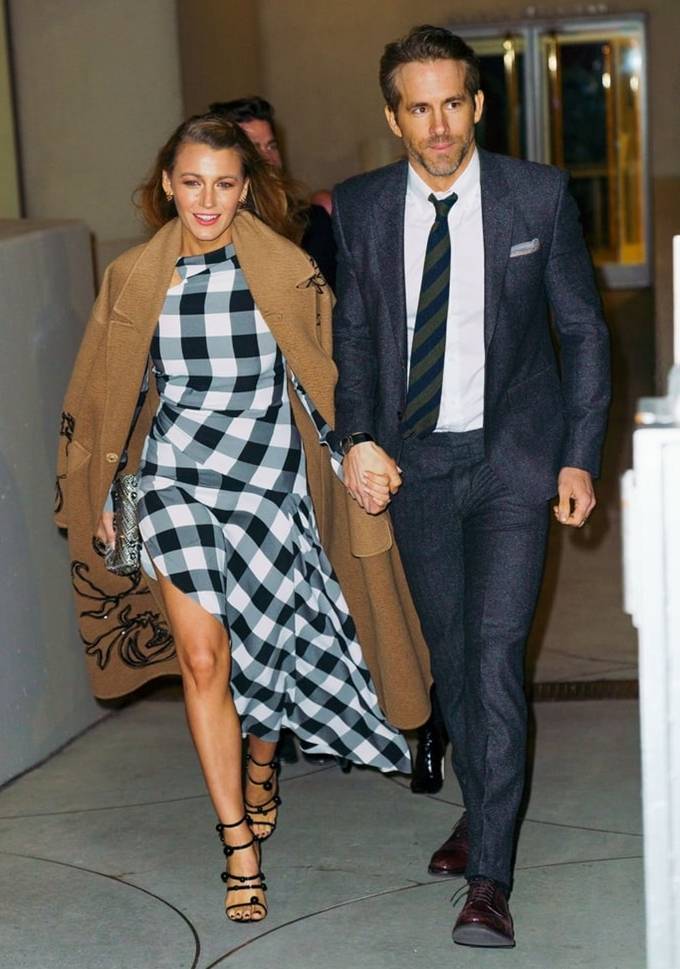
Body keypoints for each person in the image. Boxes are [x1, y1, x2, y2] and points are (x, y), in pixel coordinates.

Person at [55, 115, 431, 924]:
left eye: (225, 183)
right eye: (192, 182)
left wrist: (354, 453)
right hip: (174, 482)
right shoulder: (133, 278)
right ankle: (237, 844)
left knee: (266, 652)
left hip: (267, 484)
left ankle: (264, 760)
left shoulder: (288, 271)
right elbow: (107, 397)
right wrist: (108, 492)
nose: (207, 200)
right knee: (204, 657)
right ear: (166, 184)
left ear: (245, 186)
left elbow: (326, 380)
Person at [331, 25, 610, 948]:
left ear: (478, 103)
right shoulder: (363, 209)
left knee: (492, 657)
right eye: (420, 108)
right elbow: (356, 336)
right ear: (394, 117)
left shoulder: (537, 195)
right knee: (451, 661)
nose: (440, 125)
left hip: (510, 461)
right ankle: (481, 805)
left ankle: (490, 878)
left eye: (454, 102)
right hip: (414, 467)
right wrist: (357, 439)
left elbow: (584, 329)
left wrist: (577, 454)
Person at [209, 96, 337, 288]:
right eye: (254, 148)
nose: (268, 158)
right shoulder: (210, 228)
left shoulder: (312, 223)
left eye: (271, 146)